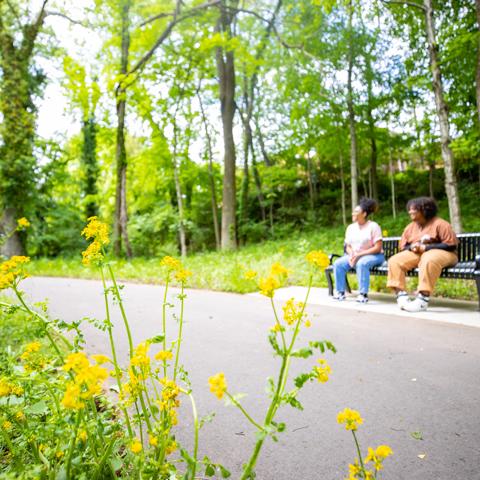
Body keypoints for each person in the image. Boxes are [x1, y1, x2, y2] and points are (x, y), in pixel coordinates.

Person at [387, 197, 458, 312]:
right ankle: (401, 296)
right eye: (409, 209)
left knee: (428, 258)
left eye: (414, 209)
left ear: (425, 209)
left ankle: (422, 300)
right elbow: (403, 247)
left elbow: (451, 245)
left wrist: (426, 247)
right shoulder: (410, 227)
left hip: (445, 254)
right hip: (418, 254)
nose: (410, 211)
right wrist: (411, 247)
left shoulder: (440, 224)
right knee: (394, 260)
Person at [333, 198, 384, 303]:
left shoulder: (373, 226)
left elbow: (377, 248)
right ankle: (340, 292)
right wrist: (352, 254)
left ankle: (363, 294)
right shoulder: (350, 228)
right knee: (338, 263)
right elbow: (348, 246)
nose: (353, 213)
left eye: (356, 211)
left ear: (364, 214)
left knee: (362, 263)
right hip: (355, 255)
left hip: (374, 255)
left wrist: (359, 255)